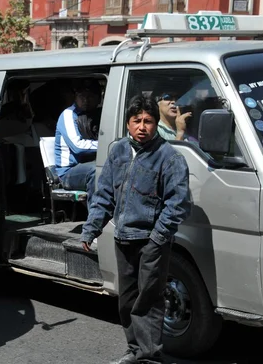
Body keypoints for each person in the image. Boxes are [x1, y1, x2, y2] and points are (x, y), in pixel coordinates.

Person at [80, 94, 192, 364]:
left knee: (149, 301)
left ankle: (150, 357)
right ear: (128, 124)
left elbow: (179, 204)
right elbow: (104, 193)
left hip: (151, 242)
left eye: (149, 121)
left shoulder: (169, 158)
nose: (143, 127)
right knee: (127, 300)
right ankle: (135, 351)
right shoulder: (118, 151)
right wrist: (90, 229)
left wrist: (157, 238)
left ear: (156, 124)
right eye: (137, 121)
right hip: (123, 238)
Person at [54, 78, 102, 207]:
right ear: (76, 97)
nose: (86, 100)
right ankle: (95, 218)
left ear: (99, 98)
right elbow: (78, 147)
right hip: (69, 172)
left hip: (88, 164)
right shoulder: (69, 115)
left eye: (91, 96)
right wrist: (105, 145)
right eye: (82, 96)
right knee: (96, 171)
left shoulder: (97, 115)